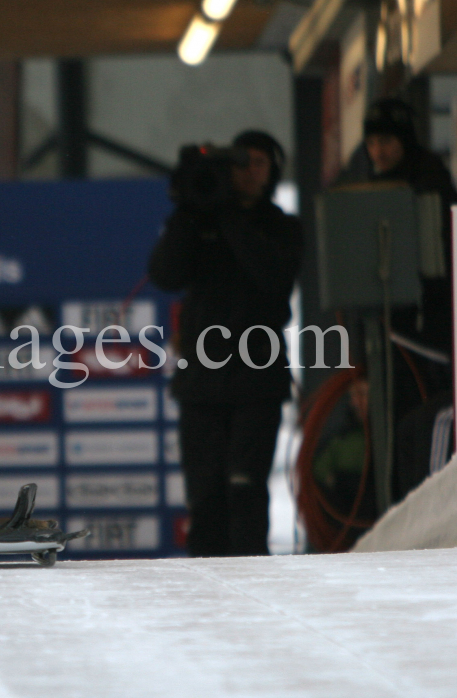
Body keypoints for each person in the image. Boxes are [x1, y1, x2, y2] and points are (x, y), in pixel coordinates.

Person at [148, 131, 303, 557]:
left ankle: (255, 596)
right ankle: (206, 598)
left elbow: (272, 277)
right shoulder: (198, 222)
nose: (249, 172)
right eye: (241, 163)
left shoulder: (282, 228)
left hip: (258, 381)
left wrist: (230, 217)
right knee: (205, 498)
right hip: (201, 382)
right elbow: (165, 275)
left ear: (273, 171)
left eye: (259, 163)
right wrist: (190, 213)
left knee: (246, 494)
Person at [362, 98, 457, 502]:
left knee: (420, 438)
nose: (378, 151)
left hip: (428, 346)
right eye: (371, 143)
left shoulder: (430, 187)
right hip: (397, 342)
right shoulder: (374, 191)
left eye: (386, 141)